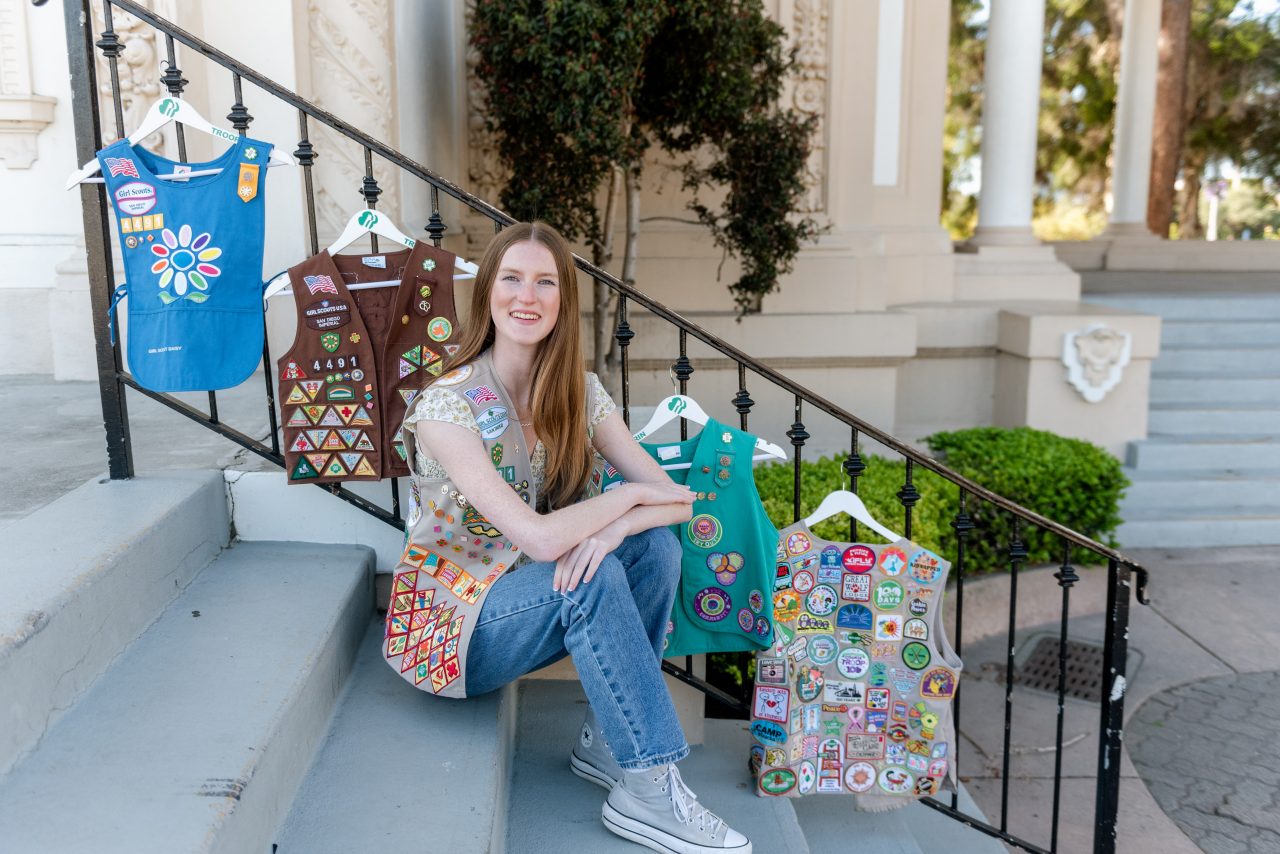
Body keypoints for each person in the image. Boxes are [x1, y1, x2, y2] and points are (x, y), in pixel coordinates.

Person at [400, 221, 751, 853]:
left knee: (652, 548)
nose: (525, 295)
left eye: (544, 281)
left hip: (531, 597)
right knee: (594, 574)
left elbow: (679, 504)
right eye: (511, 278)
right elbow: (537, 538)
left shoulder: (578, 394)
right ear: (487, 293)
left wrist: (617, 525)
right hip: (453, 627)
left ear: (563, 300)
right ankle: (648, 786)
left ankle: (605, 740)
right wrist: (624, 498)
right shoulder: (446, 406)